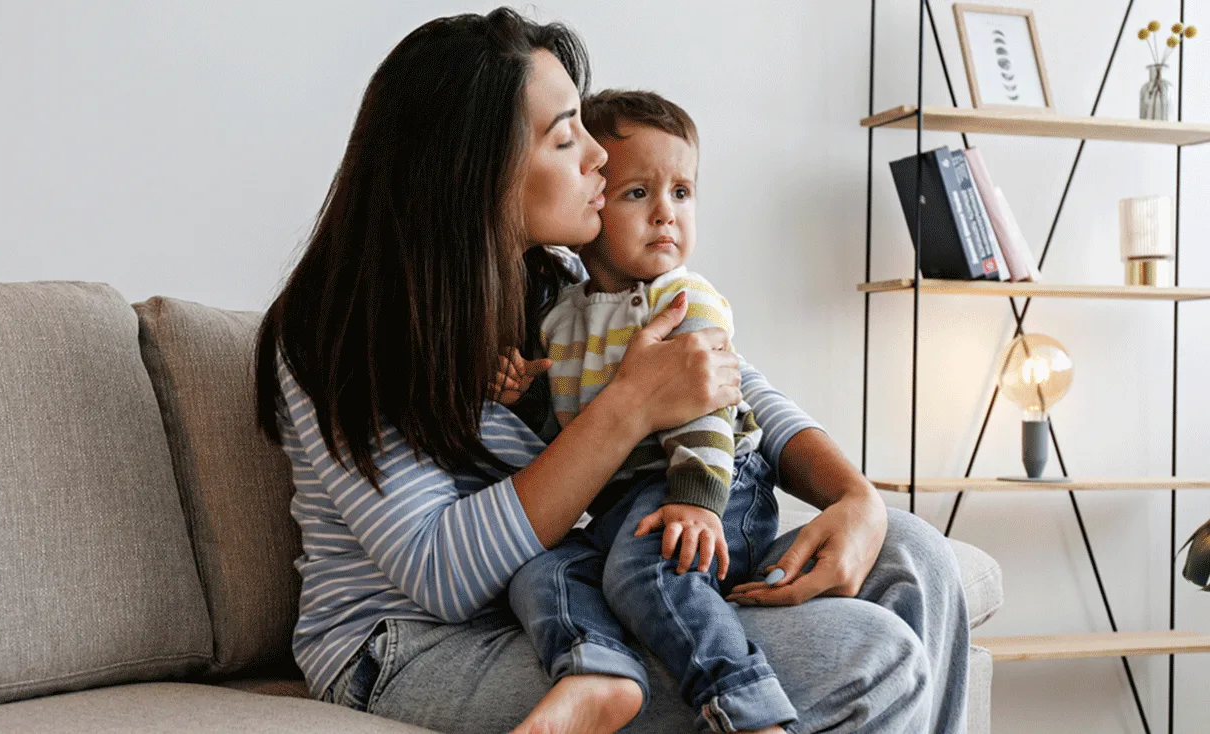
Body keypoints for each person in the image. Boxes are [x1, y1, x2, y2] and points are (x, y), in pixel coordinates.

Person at [253, 8, 970, 733]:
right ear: (475, 171)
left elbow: (719, 370)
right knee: (867, 655)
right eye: (565, 137)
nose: (599, 156)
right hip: (414, 644)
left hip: (577, 588)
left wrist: (854, 497)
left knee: (917, 558)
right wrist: (628, 405)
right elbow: (442, 575)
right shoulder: (334, 330)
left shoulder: (557, 280)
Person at [496, 89, 803, 733]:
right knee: (538, 571)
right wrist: (523, 395)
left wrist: (696, 499)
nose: (666, 214)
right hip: (620, 500)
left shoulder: (687, 298)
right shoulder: (560, 319)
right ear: (594, 195)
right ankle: (597, 670)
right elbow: (566, 434)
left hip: (714, 482)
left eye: (682, 194)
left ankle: (748, 709)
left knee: (644, 567)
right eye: (639, 194)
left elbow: (714, 408)